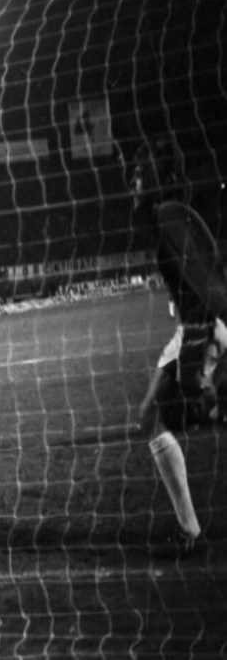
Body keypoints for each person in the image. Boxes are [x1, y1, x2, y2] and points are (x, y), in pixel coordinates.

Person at [130, 136, 227, 556]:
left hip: (202, 329)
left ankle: (191, 531)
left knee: (166, 416)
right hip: (195, 328)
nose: (132, 183)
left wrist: (204, 351)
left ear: (155, 175)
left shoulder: (169, 214)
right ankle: (190, 530)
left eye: (138, 174)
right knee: (152, 417)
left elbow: (206, 280)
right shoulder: (171, 214)